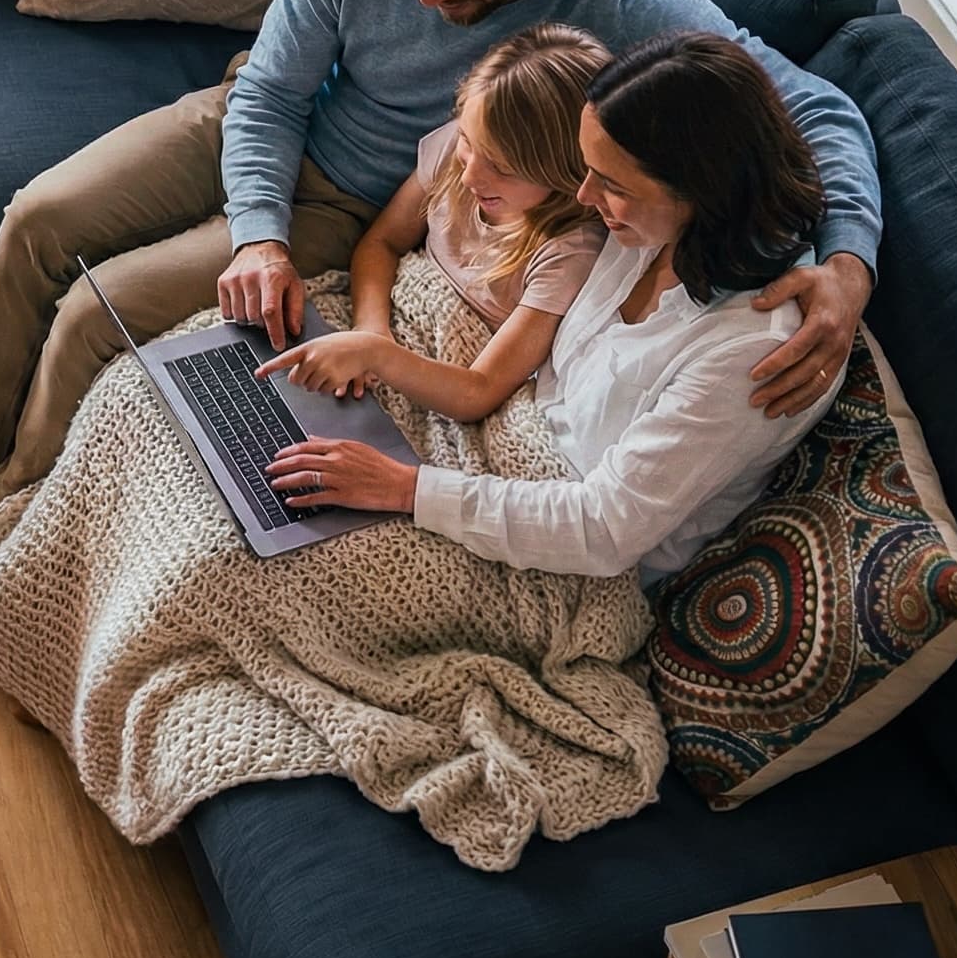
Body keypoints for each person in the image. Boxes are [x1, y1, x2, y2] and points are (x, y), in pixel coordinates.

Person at [0, 0, 879, 615]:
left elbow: (816, 110)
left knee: (101, 309)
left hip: (361, 201)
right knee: (37, 218)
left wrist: (845, 267)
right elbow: (272, 93)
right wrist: (258, 237)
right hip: (251, 126)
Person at [267, 32, 847, 585]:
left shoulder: (752, 354)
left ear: (702, 190)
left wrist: (402, 488)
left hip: (560, 558)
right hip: (489, 451)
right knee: (259, 451)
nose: (584, 197)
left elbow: (603, 530)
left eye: (612, 184)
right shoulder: (646, 230)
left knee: (262, 565)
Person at [258, 23, 609, 421]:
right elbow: (383, 243)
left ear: (565, 172)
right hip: (383, 319)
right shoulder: (457, 147)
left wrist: (376, 354)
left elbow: (477, 392)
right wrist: (370, 330)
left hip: (445, 378)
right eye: (468, 143)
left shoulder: (568, 253)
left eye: (502, 167)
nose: (470, 176)